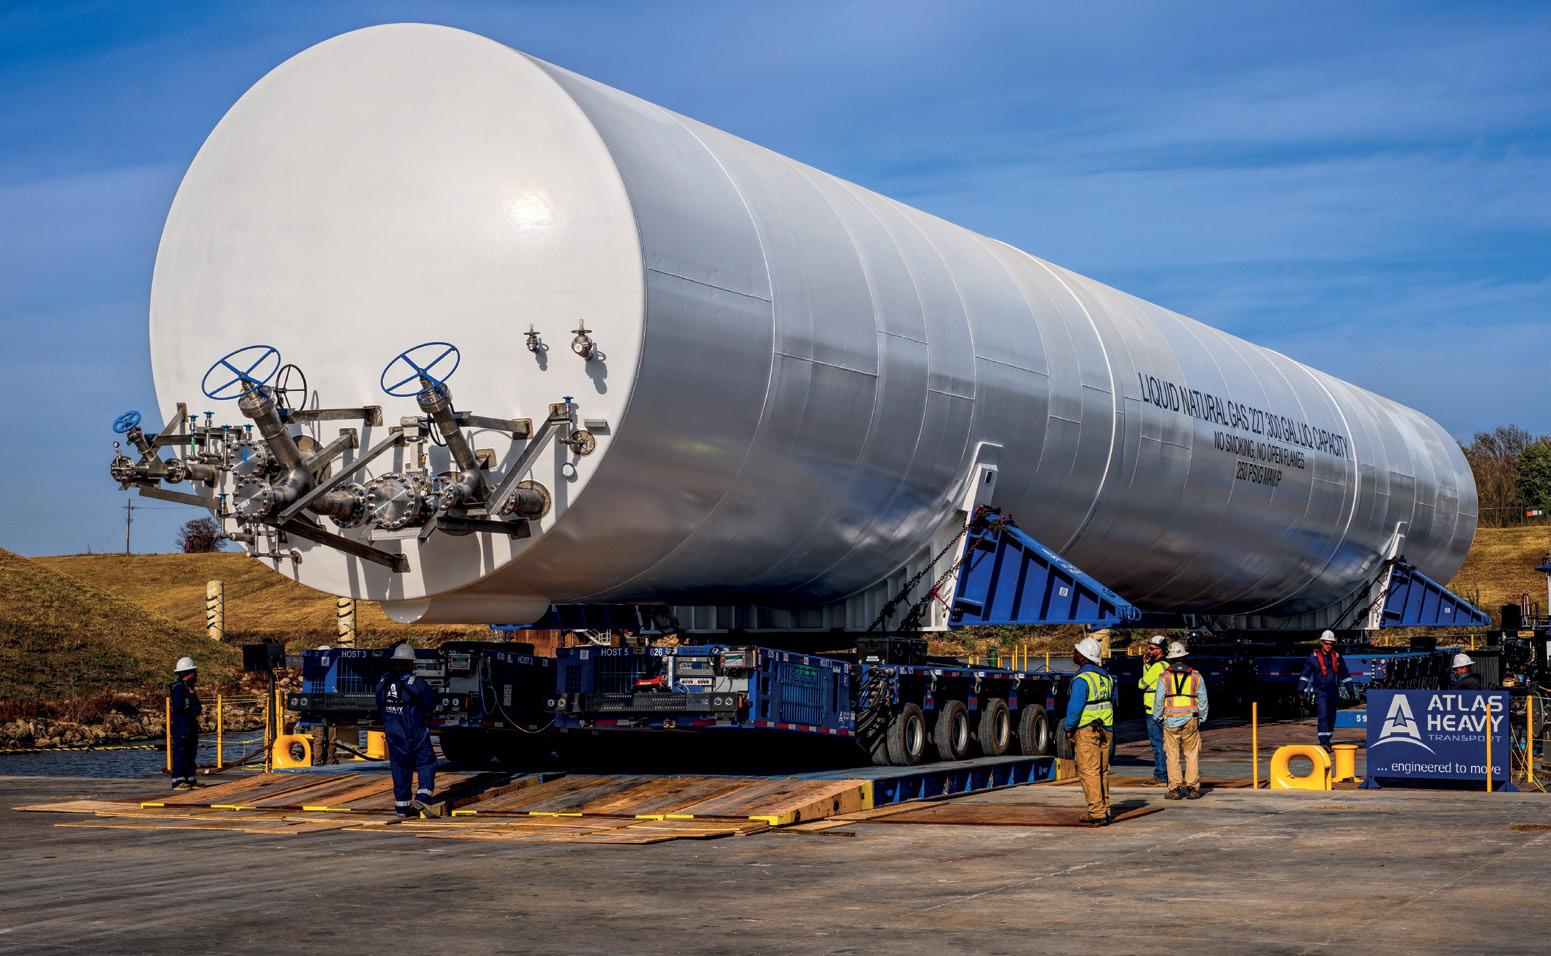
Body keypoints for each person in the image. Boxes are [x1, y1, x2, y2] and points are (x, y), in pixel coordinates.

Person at [375, 644, 441, 818]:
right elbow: (431, 702)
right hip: (414, 731)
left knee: (399, 768)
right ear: (410, 662)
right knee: (426, 762)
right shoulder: (416, 683)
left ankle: (402, 808)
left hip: (393, 732)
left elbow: (379, 704)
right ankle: (423, 797)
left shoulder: (383, 682)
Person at [1063, 636, 1115, 825]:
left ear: (1084, 657)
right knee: (1102, 770)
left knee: (1089, 771)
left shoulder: (1082, 679)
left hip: (1087, 729)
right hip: (1106, 728)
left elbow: (1075, 708)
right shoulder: (1107, 677)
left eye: (1077, 652)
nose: (1074, 654)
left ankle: (1096, 812)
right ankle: (1105, 809)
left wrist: (1069, 728)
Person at [1152, 642, 1209, 800]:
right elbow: (1203, 700)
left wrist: (1158, 717)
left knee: (1172, 755)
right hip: (1191, 719)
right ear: (1184, 657)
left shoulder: (1164, 677)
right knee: (1191, 754)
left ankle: (1175, 789)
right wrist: (1201, 718)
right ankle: (1192, 788)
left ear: (1170, 659)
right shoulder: (1196, 676)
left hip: (1170, 721)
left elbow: (1158, 701)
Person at [1298, 631, 1354, 749]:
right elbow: (1305, 675)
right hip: (1320, 692)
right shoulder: (1313, 658)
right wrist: (1301, 690)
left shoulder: (1337, 658)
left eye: (1331, 644)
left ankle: (1327, 738)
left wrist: (1351, 691)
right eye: (1326, 643)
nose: (1329, 646)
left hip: (1333, 691)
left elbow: (1345, 675)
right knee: (1323, 714)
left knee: (1331, 716)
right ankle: (1324, 742)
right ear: (1321, 643)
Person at [1138, 635, 1170, 786]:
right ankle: (1168, 774)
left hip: (1153, 710)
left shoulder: (1157, 667)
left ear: (1160, 650)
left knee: (1157, 743)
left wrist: (1145, 667)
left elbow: (1141, 684)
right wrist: (1146, 665)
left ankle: (1161, 776)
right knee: (1166, 743)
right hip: (1165, 708)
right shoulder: (1166, 665)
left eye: (1152, 648)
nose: (1148, 651)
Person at [168, 656, 202, 790]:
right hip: (181, 726)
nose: (195, 675)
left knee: (191, 752)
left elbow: (198, 708)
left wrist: (192, 696)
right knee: (181, 752)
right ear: (188, 673)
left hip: (190, 725)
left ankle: (190, 778)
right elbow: (179, 707)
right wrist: (191, 701)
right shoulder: (179, 688)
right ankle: (178, 780)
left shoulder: (189, 689)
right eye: (193, 672)